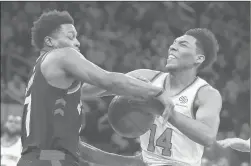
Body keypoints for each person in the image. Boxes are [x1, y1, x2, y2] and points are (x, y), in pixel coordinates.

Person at [17, 10, 172, 166]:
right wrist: (157, 91)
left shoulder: (44, 76)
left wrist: (130, 162)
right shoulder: (62, 55)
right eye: (70, 37)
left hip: (37, 159)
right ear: (50, 42)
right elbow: (107, 80)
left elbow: (88, 90)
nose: (77, 42)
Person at [81, 28, 222, 166]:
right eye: (174, 43)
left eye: (183, 44)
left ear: (199, 58)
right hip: (147, 160)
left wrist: (160, 109)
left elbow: (208, 136)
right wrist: (123, 82)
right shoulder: (145, 77)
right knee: (84, 153)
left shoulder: (206, 94)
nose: (172, 47)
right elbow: (86, 90)